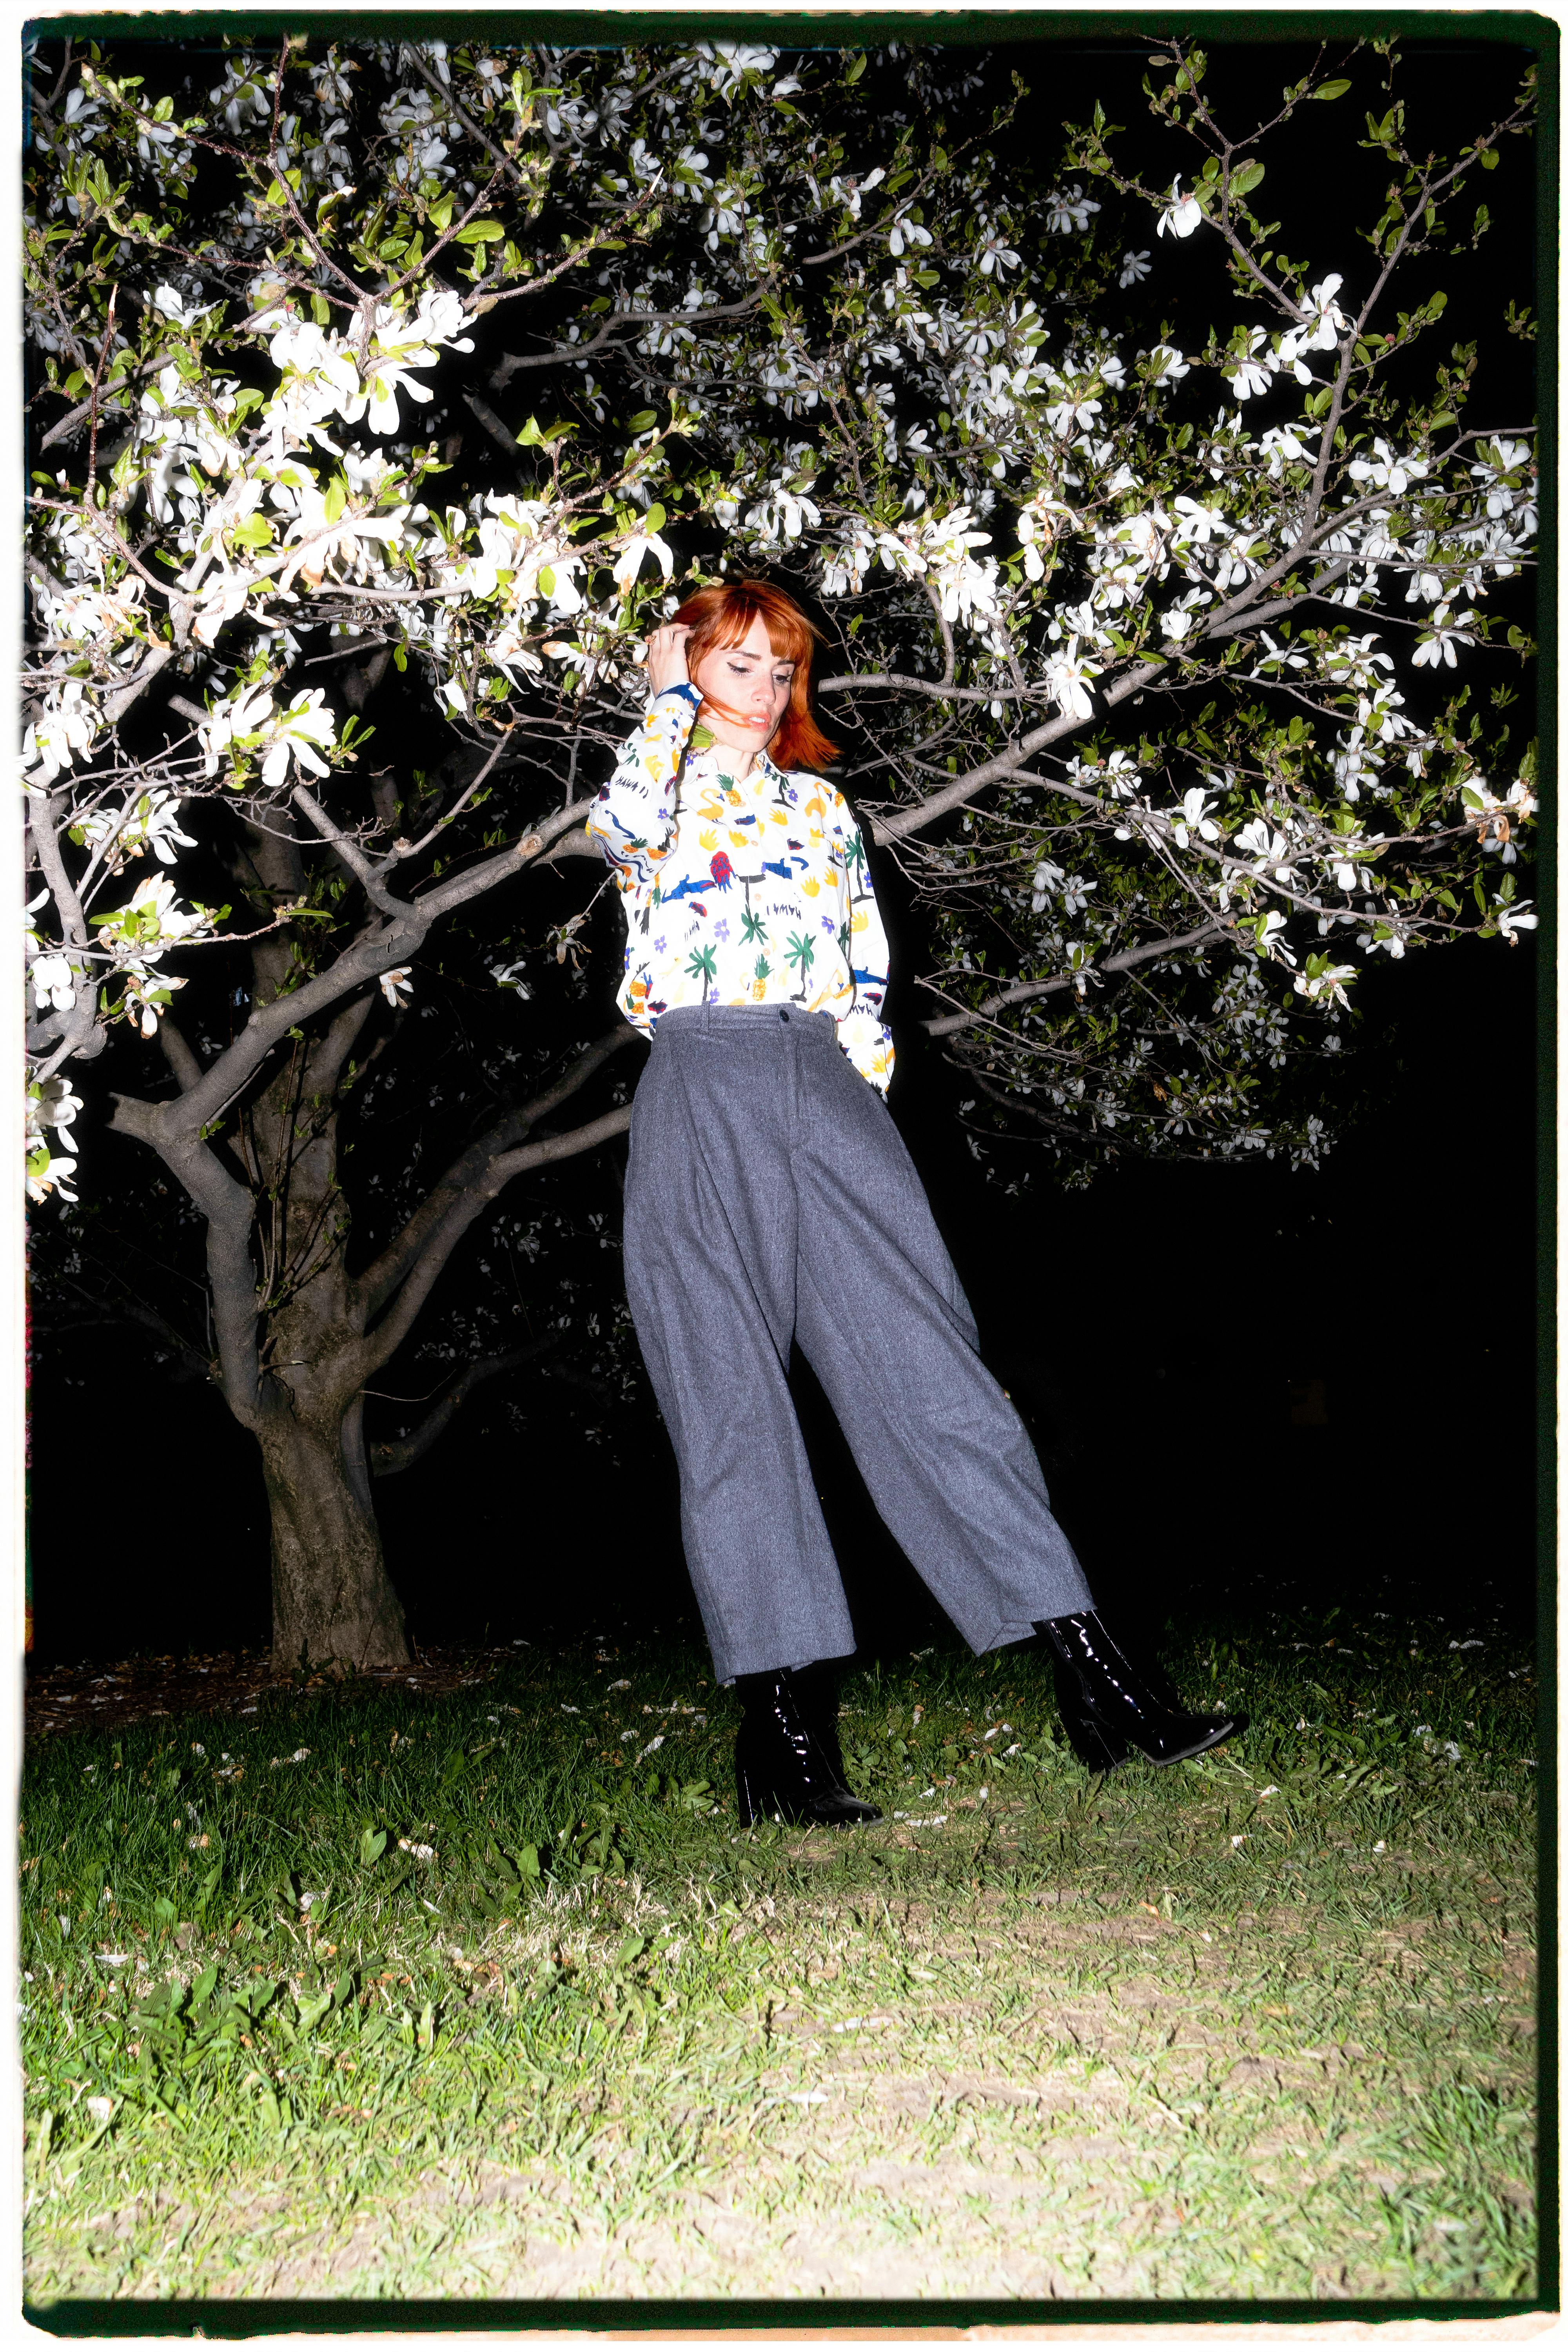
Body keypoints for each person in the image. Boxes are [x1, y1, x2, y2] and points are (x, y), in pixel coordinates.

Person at [587, 579, 1245, 1827]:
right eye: (738, 665)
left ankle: (1104, 1685)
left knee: (934, 1377)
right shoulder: (654, 785)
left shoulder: (824, 807)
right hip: (700, 1081)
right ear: (687, 667)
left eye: (781, 670)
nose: (765, 691)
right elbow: (619, 822)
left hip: (827, 1090)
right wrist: (662, 691)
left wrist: (860, 1116)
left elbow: (864, 980)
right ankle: (782, 1742)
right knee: (729, 1407)